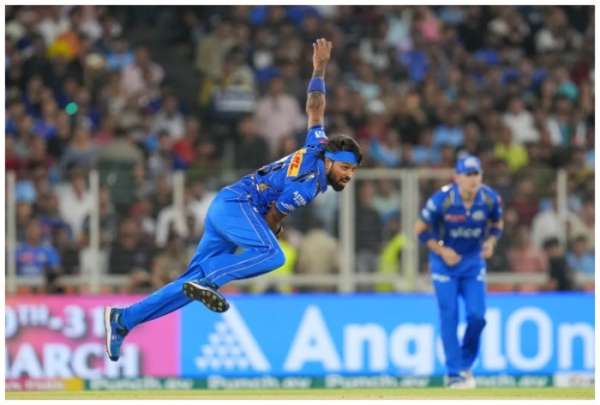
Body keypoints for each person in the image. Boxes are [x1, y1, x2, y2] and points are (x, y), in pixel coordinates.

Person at [104, 38, 362, 361]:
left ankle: (124, 320)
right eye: (345, 168)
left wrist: (319, 67)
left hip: (228, 206)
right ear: (330, 161)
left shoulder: (317, 144)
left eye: (353, 171)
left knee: (188, 285)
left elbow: (315, 106)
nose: (348, 176)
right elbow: (272, 216)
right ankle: (212, 278)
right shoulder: (308, 185)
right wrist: (273, 229)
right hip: (238, 207)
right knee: (273, 255)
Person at [414, 155, 503, 388]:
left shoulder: (490, 198)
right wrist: (441, 250)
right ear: (457, 177)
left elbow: (497, 224)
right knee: (449, 316)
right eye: (468, 174)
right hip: (445, 265)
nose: (473, 179)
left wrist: (491, 242)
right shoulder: (442, 200)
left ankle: (465, 364)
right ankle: (454, 374)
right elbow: (420, 229)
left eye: (476, 174)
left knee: (477, 316)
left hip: (473, 264)